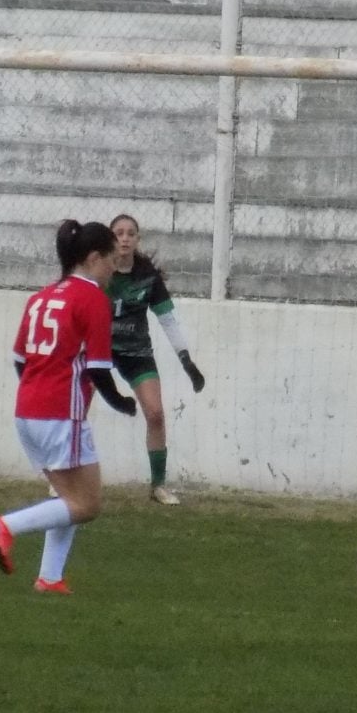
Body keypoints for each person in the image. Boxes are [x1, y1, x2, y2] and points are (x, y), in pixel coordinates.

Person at [0, 219, 137, 594]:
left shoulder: (43, 296)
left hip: (28, 411)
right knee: (88, 504)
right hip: (59, 415)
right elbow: (99, 368)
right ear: (94, 257)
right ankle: (5, 526)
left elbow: (20, 358)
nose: (114, 270)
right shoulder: (93, 298)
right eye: (111, 261)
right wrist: (122, 402)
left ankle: (50, 578)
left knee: (66, 497)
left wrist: (41, 386)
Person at [105, 214, 206, 505]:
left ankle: (158, 485)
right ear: (111, 238)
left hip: (136, 353)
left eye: (130, 233)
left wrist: (186, 361)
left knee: (155, 414)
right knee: (78, 409)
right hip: (100, 350)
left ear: (138, 240)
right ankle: (61, 480)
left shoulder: (147, 275)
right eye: (119, 233)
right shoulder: (100, 271)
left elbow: (168, 320)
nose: (124, 238)